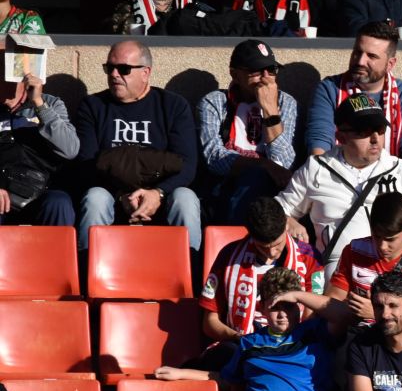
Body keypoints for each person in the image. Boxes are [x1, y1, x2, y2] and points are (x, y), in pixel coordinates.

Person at [163, 267, 332, 391]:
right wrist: (180, 373)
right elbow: (226, 380)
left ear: (298, 306)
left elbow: (344, 314)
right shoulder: (249, 343)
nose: (282, 314)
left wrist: (299, 295)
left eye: (289, 306)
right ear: (262, 308)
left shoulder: (315, 332)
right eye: (276, 307)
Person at [54, 38, 200, 253]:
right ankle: (88, 275)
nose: (114, 74)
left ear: (145, 72)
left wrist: (158, 193)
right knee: (95, 198)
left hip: (161, 195)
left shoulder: (172, 105)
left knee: (185, 199)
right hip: (112, 195)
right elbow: (86, 164)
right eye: (109, 68)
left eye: (123, 69)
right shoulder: (93, 106)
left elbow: (188, 165)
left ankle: (194, 277)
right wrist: (121, 195)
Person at [277, 92, 402, 273]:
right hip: (337, 267)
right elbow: (277, 209)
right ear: (341, 137)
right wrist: (287, 220)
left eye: (380, 130)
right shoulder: (317, 168)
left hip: (391, 267)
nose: (375, 139)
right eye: (364, 132)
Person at [198, 196, 326, 346]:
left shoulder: (309, 257)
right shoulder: (229, 256)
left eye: (277, 244)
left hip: (293, 345)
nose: (271, 252)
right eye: (262, 247)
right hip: (241, 345)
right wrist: (240, 339)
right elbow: (209, 322)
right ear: (250, 235)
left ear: (286, 226)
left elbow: (313, 316)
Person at [196, 39, 299, 223]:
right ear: (234, 74)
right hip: (225, 187)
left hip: (271, 191)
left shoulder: (286, 102)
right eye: (256, 71)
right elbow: (214, 158)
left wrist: (270, 111)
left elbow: (284, 162)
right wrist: (264, 165)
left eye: (271, 70)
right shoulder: (215, 102)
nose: (266, 77)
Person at [301, 20, 402, 170]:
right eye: (357, 52)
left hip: (392, 180)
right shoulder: (330, 88)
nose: (360, 61)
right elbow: (319, 142)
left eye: (371, 56)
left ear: (390, 64)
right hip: (337, 175)